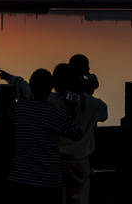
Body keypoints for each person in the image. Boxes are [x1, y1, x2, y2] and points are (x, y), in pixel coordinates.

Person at [7, 68, 81, 204]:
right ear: (51, 88)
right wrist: (72, 110)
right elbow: (76, 135)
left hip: (19, 177)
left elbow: (10, 120)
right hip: (49, 181)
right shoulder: (59, 114)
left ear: (31, 86)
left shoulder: (18, 109)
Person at [49, 63, 108, 204]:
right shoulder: (93, 104)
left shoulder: (49, 101)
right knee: (79, 199)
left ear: (54, 83)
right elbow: (104, 114)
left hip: (55, 160)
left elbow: (29, 91)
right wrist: (87, 89)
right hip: (79, 162)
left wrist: (15, 80)